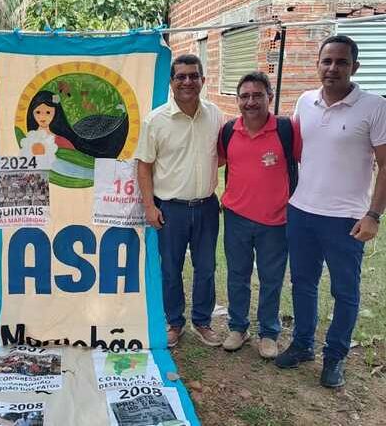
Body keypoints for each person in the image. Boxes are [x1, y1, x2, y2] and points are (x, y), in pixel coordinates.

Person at [275, 35, 386, 388]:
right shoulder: (305, 101)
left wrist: (373, 215)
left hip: (347, 219)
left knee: (345, 291)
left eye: (341, 62)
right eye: (327, 61)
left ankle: (335, 357)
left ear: (355, 66)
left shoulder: (375, 107)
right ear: (318, 64)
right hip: (302, 211)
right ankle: (302, 344)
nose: (333, 68)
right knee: (303, 283)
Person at [135, 54, 223, 348]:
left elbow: (222, 156)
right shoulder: (155, 120)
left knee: (206, 267)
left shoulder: (215, 115)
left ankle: (202, 321)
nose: (188, 82)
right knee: (170, 269)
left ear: (203, 80)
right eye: (181, 77)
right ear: (171, 82)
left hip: (207, 206)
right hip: (170, 209)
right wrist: (149, 206)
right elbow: (144, 166)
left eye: (193, 76)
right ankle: (174, 322)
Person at [218, 72, 301, 359]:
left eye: (257, 95)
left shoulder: (287, 130)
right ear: (238, 100)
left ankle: (268, 333)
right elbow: (219, 162)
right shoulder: (229, 131)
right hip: (236, 217)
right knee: (237, 275)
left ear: (270, 97)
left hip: (275, 221)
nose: (250, 101)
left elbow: (307, 162)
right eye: (244, 96)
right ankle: (238, 328)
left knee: (271, 278)